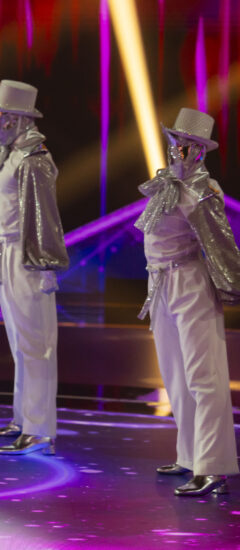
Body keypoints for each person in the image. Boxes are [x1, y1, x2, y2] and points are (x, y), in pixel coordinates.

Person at [135, 107, 240, 497]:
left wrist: (232, 285)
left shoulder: (202, 191)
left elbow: (221, 244)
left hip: (189, 282)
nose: (178, 149)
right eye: (176, 141)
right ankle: (190, 455)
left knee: (203, 376)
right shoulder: (168, 184)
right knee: (175, 374)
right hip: (161, 281)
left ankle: (213, 467)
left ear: (200, 150)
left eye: (187, 144)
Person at [0, 80, 68, 456]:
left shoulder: (34, 160)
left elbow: (44, 217)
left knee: (35, 344)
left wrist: (44, 264)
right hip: (4, 251)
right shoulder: (9, 155)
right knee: (19, 342)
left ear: (14, 119)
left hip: (25, 255)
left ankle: (39, 429)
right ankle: (23, 418)